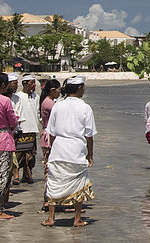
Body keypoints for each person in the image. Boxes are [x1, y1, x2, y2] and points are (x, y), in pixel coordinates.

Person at [42, 76, 96, 227]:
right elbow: (89, 135)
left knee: (54, 182)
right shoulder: (85, 107)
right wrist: (90, 154)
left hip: (59, 148)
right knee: (79, 183)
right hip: (76, 149)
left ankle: (51, 218)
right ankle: (77, 219)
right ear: (79, 88)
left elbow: (51, 132)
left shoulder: (58, 105)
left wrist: (54, 149)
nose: (84, 89)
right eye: (83, 87)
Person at [39, 79, 62, 210]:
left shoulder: (47, 101)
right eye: (58, 90)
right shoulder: (49, 103)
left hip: (47, 135)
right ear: (53, 90)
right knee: (50, 169)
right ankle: (48, 198)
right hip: (49, 137)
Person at [0, 73, 18, 220]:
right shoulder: (5, 100)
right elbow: (12, 121)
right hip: (3, 140)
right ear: (4, 86)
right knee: (3, 175)